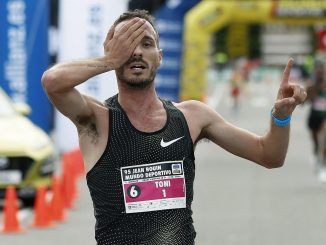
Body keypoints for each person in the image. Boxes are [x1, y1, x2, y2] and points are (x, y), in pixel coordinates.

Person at [41, 9, 307, 245]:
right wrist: (109, 60)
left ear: (160, 56)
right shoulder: (98, 119)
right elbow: (52, 81)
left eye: (146, 44)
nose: (136, 52)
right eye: (127, 45)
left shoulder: (192, 116)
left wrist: (280, 117)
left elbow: (269, 155)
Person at [306, 60, 326, 181]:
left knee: (325, 139)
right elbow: (305, 102)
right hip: (314, 116)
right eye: (317, 71)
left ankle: (323, 165)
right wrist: (314, 90)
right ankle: (316, 155)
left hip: (325, 116)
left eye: (321, 70)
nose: (320, 73)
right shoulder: (311, 85)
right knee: (316, 141)